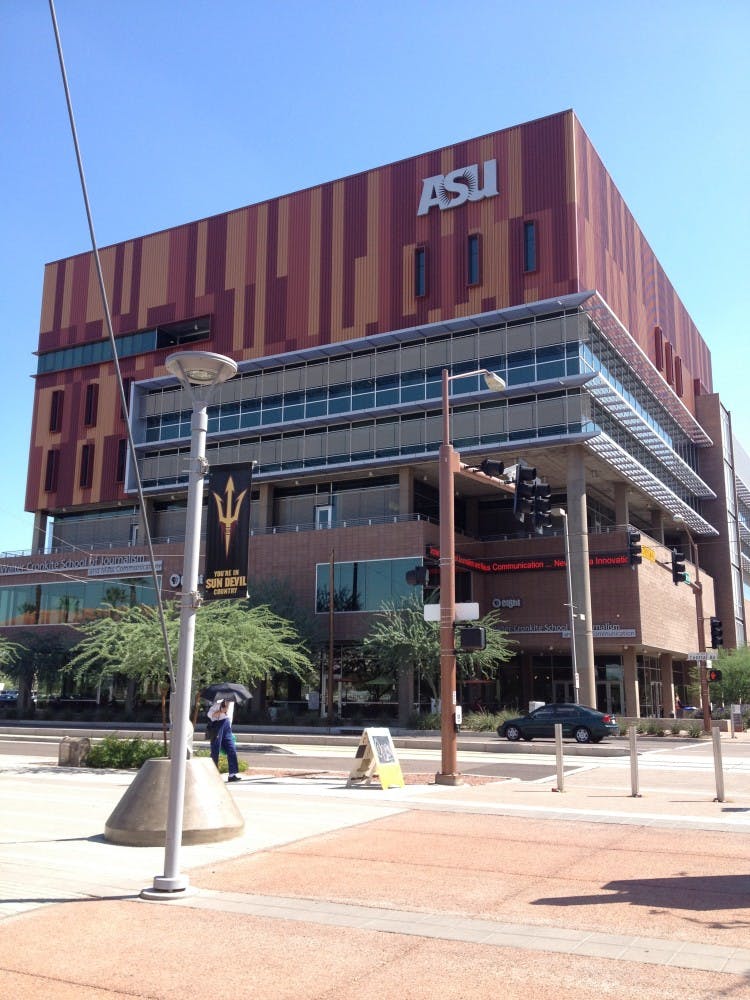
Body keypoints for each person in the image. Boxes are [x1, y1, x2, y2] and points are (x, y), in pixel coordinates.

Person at [207, 698, 241, 782]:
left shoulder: (232, 703)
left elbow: (229, 715)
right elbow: (209, 714)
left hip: (227, 725)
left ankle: (232, 774)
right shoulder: (219, 702)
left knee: (231, 749)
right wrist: (221, 711)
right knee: (215, 749)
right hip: (217, 725)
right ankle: (212, 774)